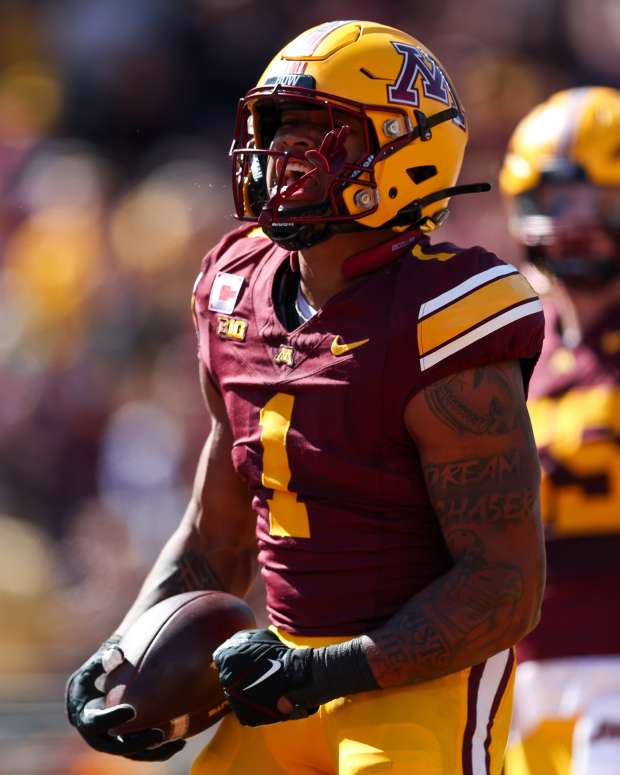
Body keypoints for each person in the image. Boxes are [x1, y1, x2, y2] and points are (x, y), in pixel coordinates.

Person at [66, 20, 546, 774]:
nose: (285, 158)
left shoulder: (446, 313)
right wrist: (123, 650)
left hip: (416, 683)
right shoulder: (234, 289)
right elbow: (213, 536)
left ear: (406, 154)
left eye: (322, 134)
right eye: (279, 129)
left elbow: (503, 588)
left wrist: (323, 673)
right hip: (279, 679)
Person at [500, 87, 620, 775]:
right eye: (550, 204)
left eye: (594, 204)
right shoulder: (504, 341)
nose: (570, 228)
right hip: (522, 677)